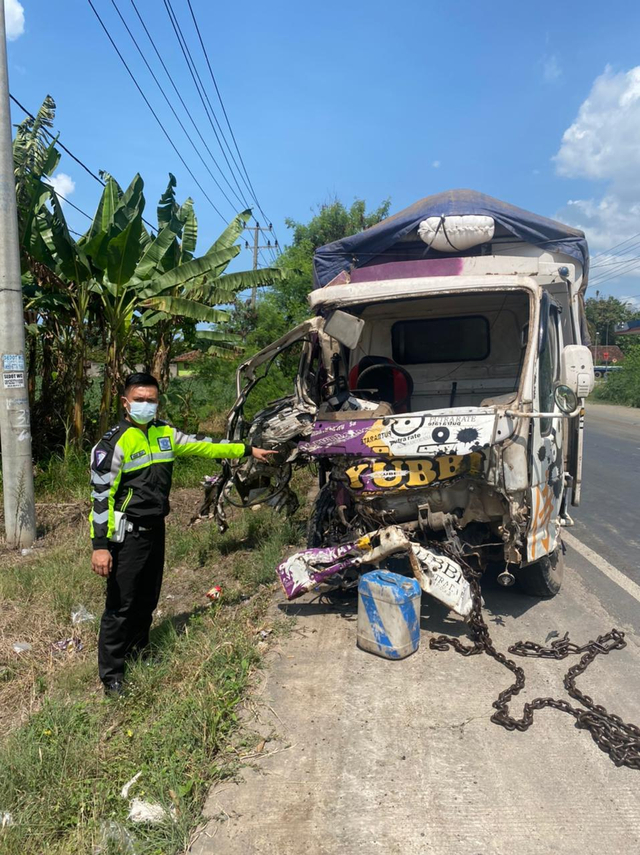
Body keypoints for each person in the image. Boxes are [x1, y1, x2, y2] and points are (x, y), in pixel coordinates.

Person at [90, 372, 276, 696]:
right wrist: (100, 546)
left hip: (155, 531)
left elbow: (205, 445)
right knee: (121, 606)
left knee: (147, 600)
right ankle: (113, 676)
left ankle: (139, 652)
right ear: (125, 402)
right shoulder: (112, 444)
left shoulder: (166, 433)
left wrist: (248, 450)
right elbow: (100, 498)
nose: (146, 405)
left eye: (151, 400)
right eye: (139, 400)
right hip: (126, 536)